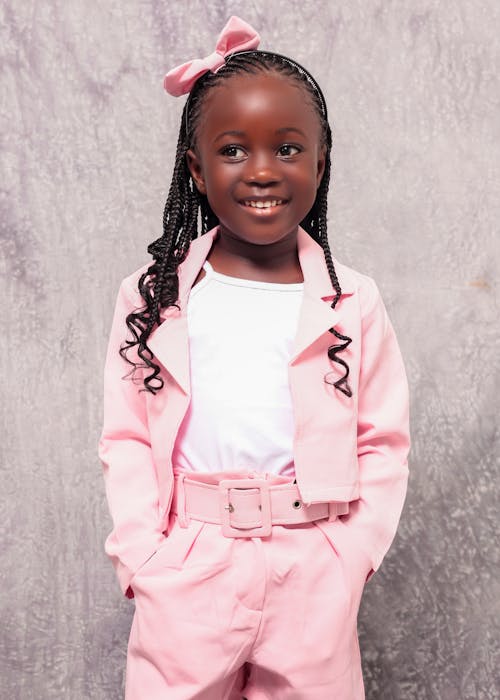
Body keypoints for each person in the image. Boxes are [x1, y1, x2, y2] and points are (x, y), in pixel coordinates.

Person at [98, 15, 411, 700]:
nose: (263, 170)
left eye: (289, 148)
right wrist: (144, 558)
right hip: (188, 562)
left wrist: (349, 558)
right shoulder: (153, 296)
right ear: (197, 171)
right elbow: (124, 435)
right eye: (234, 150)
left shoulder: (352, 300)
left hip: (312, 563)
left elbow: (383, 440)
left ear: (321, 163)